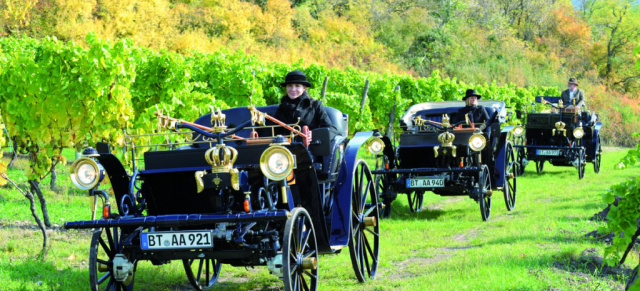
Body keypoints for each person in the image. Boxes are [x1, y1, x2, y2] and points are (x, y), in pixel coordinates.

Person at [273, 70, 336, 134]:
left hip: (311, 143)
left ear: (304, 88)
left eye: (297, 86)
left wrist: (313, 135)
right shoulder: (282, 108)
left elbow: (331, 129)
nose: (293, 89)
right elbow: (270, 132)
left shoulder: (315, 106)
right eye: (290, 85)